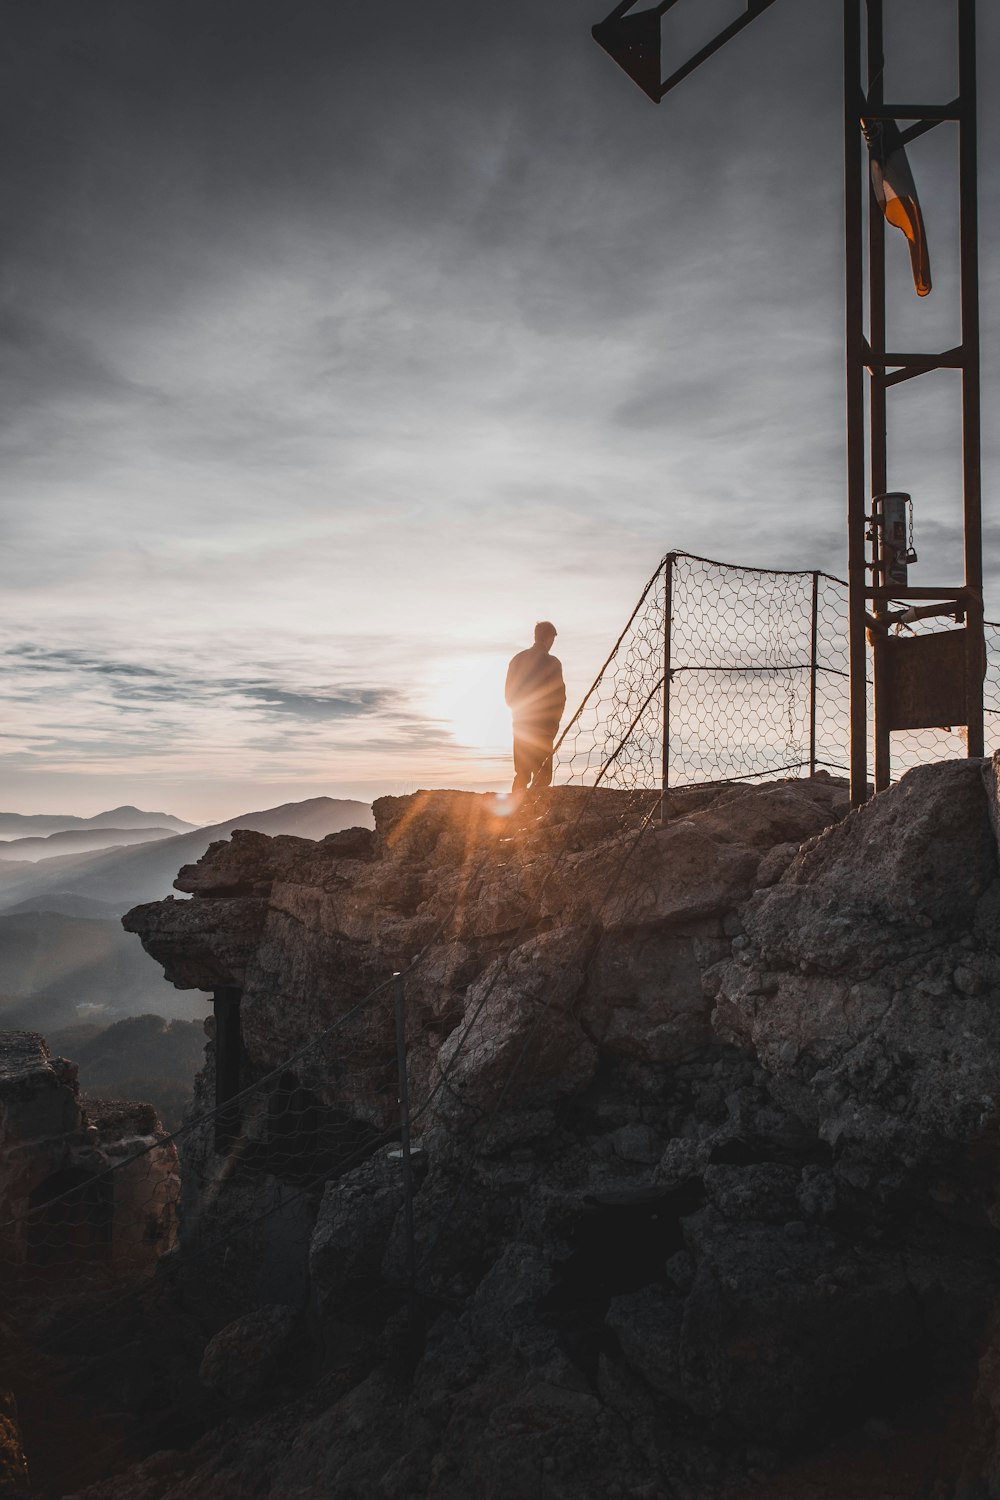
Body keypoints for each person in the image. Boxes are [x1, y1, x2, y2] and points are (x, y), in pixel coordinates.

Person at [505, 621, 566, 796]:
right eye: (553, 639)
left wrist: (520, 714)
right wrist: (553, 725)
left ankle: (515, 816)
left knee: (522, 775)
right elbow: (559, 698)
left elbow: (508, 697)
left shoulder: (516, 660)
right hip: (543, 730)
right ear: (549, 638)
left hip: (521, 727)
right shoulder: (553, 663)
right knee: (543, 777)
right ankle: (536, 818)